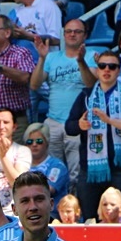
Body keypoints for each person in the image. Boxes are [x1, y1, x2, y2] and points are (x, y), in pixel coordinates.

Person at [65, 49, 121, 223]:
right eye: (102, 66)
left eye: (112, 66)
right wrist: (80, 125)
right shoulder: (86, 96)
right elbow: (69, 126)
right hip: (90, 169)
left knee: (120, 219)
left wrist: (110, 120)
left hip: (120, 168)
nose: (107, 70)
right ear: (98, 69)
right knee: (89, 218)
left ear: (119, 70)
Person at [29, 20, 97, 190]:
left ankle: (74, 212)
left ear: (85, 35)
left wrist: (81, 61)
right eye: (68, 31)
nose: (72, 34)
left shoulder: (92, 56)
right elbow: (34, 85)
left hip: (77, 122)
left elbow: (91, 84)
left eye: (77, 31)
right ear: (64, 34)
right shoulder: (52, 57)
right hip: (53, 122)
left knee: (76, 173)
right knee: (51, 173)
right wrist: (42, 58)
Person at [24, 123, 69, 216]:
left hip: (51, 216)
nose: (34, 144)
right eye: (30, 142)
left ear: (47, 143)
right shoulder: (21, 164)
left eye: (39, 141)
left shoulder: (57, 166)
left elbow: (46, 190)